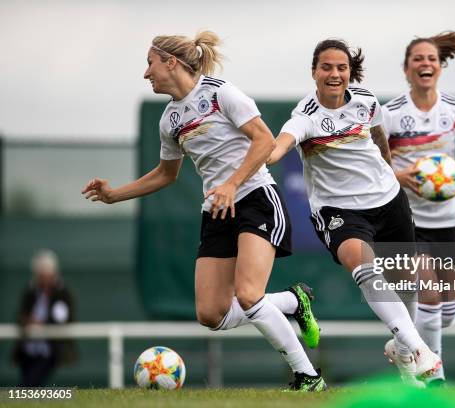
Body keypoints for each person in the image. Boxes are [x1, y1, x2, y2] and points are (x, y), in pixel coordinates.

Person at [81, 30, 325, 391]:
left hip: (257, 198)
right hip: (216, 211)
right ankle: (293, 299)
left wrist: (231, 183)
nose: (146, 73)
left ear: (171, 62)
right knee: (211, 314)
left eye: (150, 64)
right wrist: (116, 194)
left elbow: (265, 140)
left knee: (248, 294)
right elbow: (167, 174)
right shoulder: (169, 120)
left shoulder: (220, 91)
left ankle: (308, 376)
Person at [267, 38, 441, 386]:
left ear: (350, 72)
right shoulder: (304, 118)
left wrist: (390, 172)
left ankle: (403, 351)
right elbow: (277, 148)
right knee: (364, 268)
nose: (334, 74)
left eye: (341, 67)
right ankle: (419, 349)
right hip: (340, 211)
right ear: (314, 72)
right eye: (327, 67)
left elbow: (379, 137)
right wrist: (260, 155)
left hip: (388, 201)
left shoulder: (366, 100)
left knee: (406, 283)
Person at [382, 31, 455, 386]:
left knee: (447, 314)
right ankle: (435, 378)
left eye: (431, 59)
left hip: (449, 220)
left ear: (439, 67)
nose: (425, 64)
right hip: (407, 221)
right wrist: (400, 176)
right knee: (427, 293)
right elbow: (376, 166)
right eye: (418, 59)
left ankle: (403, 347)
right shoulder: (391, 114)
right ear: (406, 68)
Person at [12, 249, 77, 386]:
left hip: (49, 350)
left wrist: (41, 323)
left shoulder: (62, 292)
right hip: (28, 349)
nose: (44, 279)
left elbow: (63, 319)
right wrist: (28, 322)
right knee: (28, 387)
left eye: (46, 275)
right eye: (41, 275)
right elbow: (20, 315)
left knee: (28, 385)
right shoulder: (31, 290)